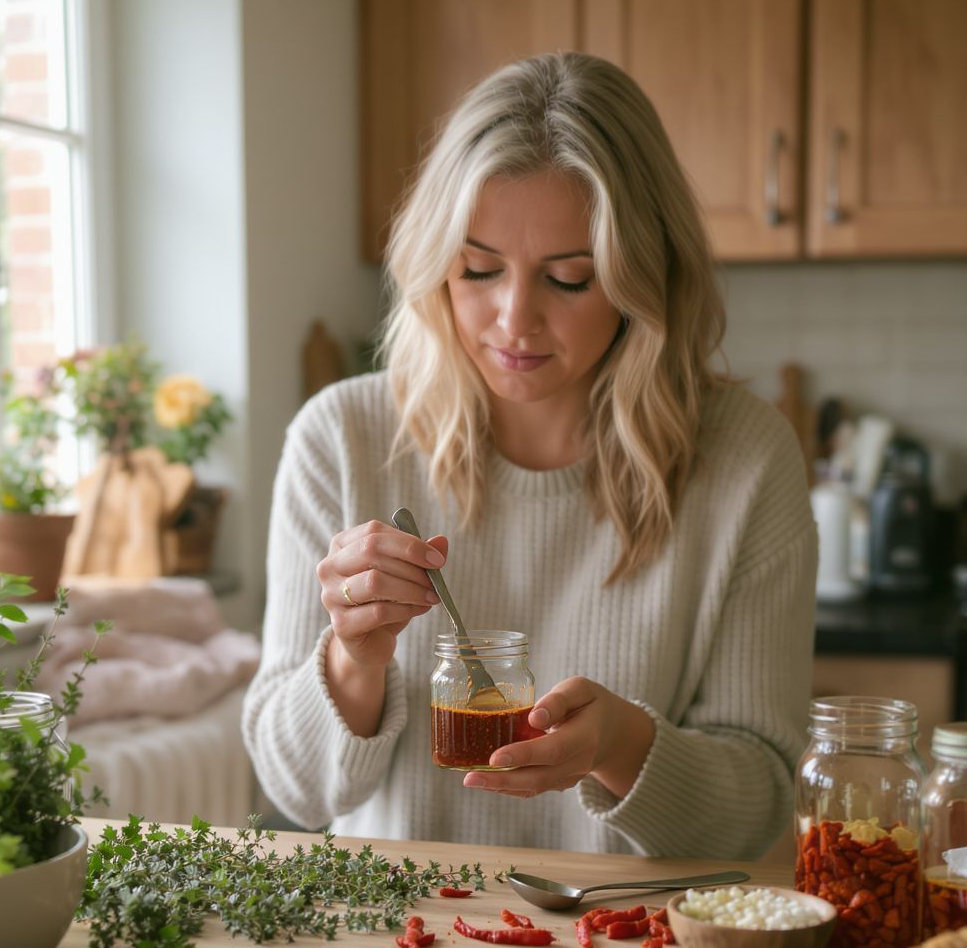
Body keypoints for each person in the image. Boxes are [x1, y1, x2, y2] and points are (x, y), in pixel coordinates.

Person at [242, 52, 816, 859]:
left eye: (570, 279)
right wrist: (353, 657)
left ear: (642, 279)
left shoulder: (746, 461)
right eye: (478, 269)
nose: (514, 321)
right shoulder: (339, 440)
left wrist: (623, 744)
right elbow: (295, 792)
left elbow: (761, 807)